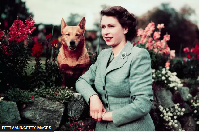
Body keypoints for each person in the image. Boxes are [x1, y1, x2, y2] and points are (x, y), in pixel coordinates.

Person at [76, 6, 155, 131]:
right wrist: (93, 97)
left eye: (111, 26)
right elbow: (82, 81)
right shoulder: (103, 55)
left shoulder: (138, 55)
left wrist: (107, 116)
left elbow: (143, 104)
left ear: (125, 28)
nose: (105, 32)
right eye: (103, 27)